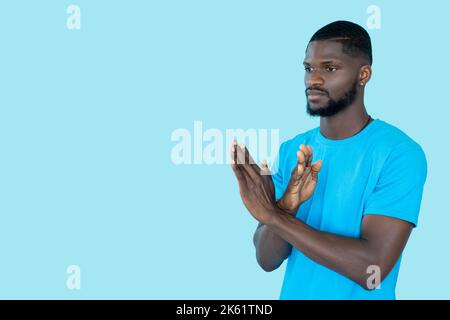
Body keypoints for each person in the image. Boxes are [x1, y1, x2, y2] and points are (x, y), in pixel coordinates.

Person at [230, 20, 427, 299]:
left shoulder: (400, 153)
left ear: (364, 74)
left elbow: (373, 270)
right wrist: (286, 206)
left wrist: (275, 216)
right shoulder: (292, 151)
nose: (313, 79)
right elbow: (267, 260)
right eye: (308, 68)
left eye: (329, 68)